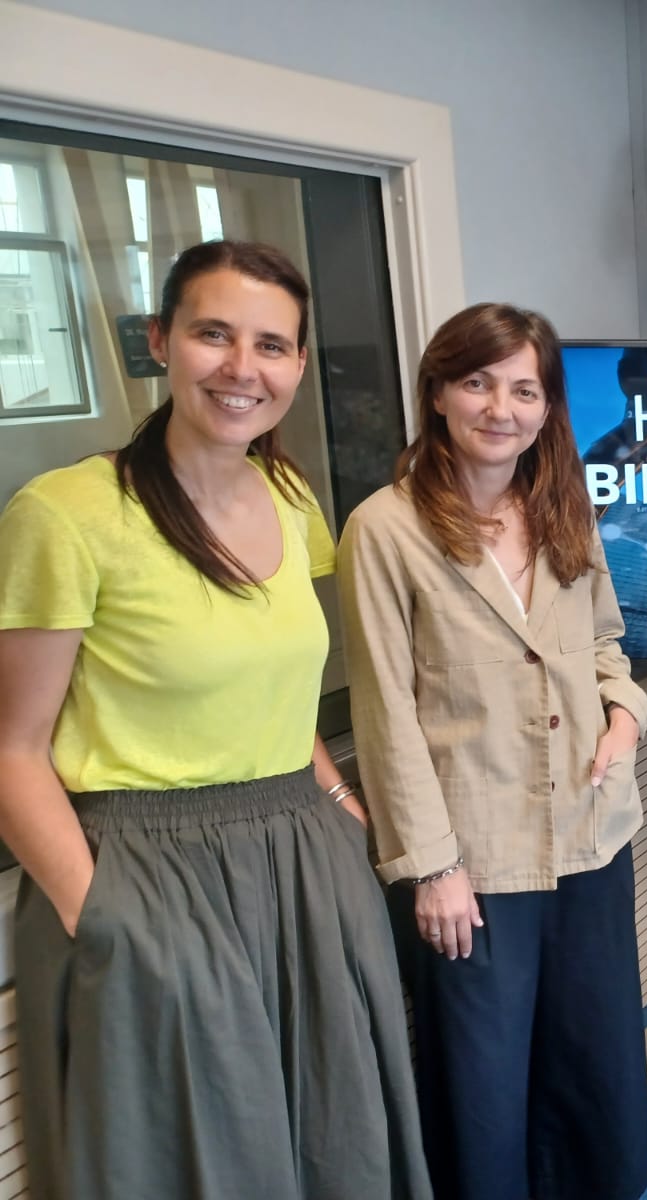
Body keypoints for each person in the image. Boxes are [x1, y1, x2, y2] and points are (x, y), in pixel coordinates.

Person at [0, 240, 431, 1198]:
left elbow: (278, 686)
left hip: (298, 850)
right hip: (145, 868)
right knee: (200, 1156)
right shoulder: (66, 513)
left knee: (331, 1137)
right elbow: (11, 749)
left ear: (297, 365)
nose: (244, 368)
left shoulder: (291, 495)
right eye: (213, 334)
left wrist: (336, 798)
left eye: (272, 345)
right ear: (159, 342)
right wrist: (97, 910)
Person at [338, 302, 647, 1200]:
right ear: (438, 391)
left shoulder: (562, 507)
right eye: (478, 382)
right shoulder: (384, 530)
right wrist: (431, 867)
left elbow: (605, 647)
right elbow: (385, 710)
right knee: (482, 1082)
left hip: (590, 833)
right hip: (473, 859)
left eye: (524, 389)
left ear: (548, 407)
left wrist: (623, 720)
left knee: (592, 1057)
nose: (500, 408)